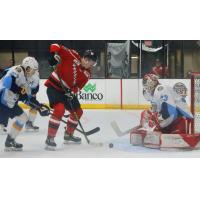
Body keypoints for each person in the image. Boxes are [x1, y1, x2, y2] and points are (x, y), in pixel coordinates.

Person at [44, 43, 97, 150]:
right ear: (84, 58)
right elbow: (55, 45)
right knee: (60, 109)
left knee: (78, 112)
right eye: (89, 61)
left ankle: (68, 134)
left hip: (66, 92)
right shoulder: (72, 55)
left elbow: (79, 86)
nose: (89, 64)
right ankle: (50, 137)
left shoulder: (87, 73)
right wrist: (52, 54)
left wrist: (72, 92)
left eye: (92, 63)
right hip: (54, 87)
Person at [0, 57, 50, 151]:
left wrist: (39, 107)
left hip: (8, 103)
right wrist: (19, 91)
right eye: (33, 70)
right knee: (21, 118)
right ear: (27, 67)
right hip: (2, 100)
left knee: (23, 118)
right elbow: (7, 83)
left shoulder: (26, 80)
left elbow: (28, 99)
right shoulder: (17, 70)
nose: (34, 72)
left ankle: (10, 141)